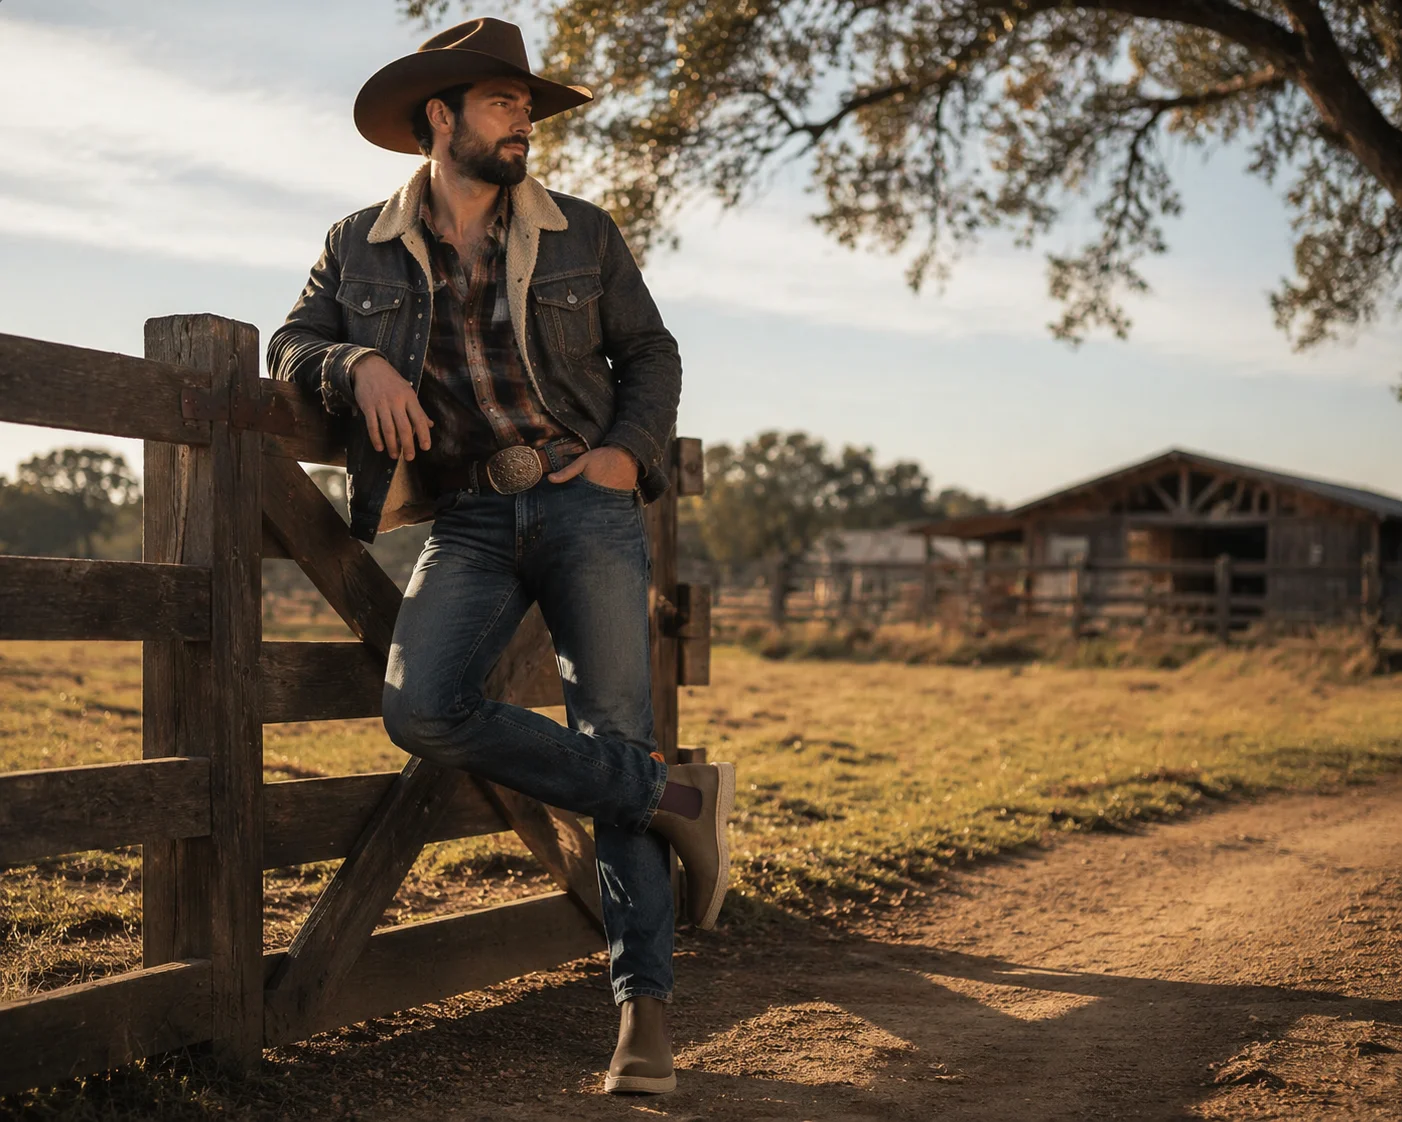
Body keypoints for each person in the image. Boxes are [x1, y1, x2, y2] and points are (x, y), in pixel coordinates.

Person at [267, 17, 734, 1096]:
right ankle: (670, 794)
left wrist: (625, 453)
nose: (525, 117)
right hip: (470, 518)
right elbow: (287, 343)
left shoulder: (582, 232)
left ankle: (643, 1024)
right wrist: (353, 366)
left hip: (585, 506)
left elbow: (650, 352)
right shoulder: (357, 245)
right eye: (503, 101)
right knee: (420, 709)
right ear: (441, 117)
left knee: (608, 727)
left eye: (528, 104)